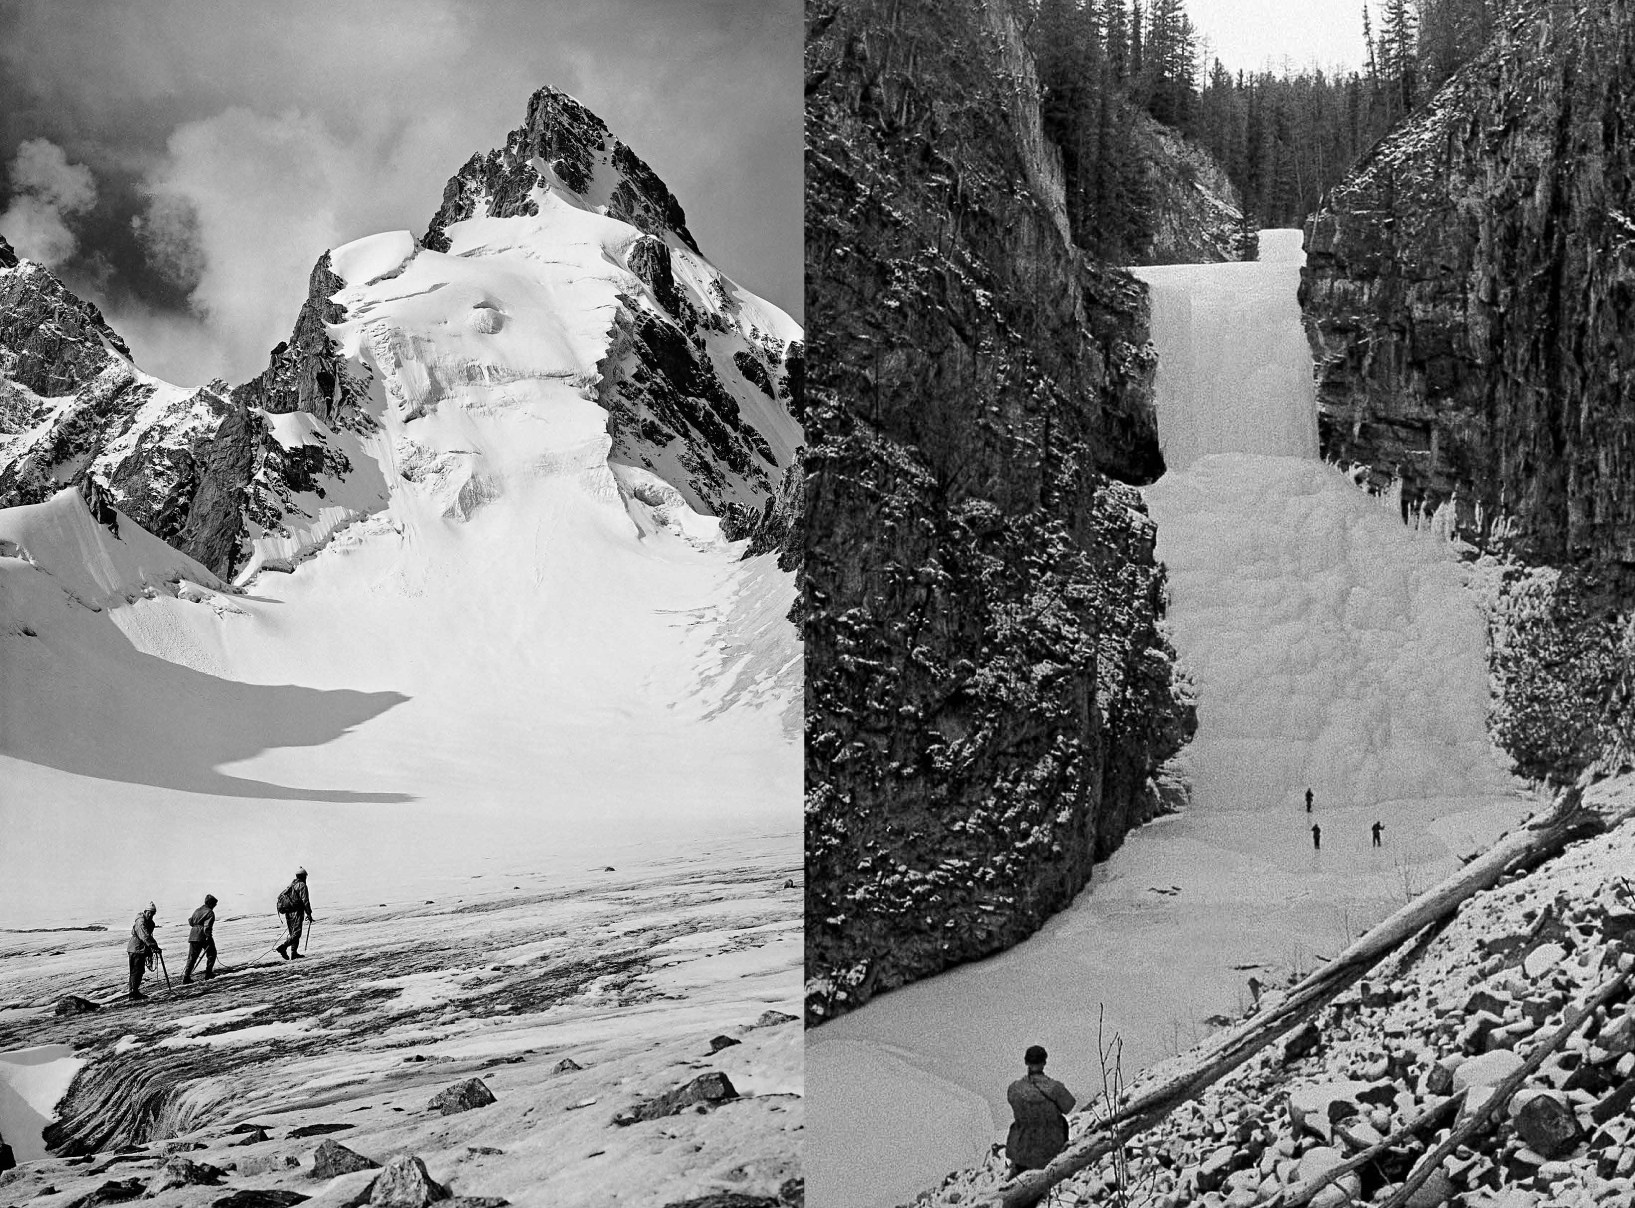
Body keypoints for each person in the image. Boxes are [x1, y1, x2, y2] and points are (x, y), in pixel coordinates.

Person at [1005, 1045, 1076, 1175]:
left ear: (1026, 1062)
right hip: (1051, 1152)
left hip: (1022, 1153)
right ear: (1044, 1062)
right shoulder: (1055, 1088)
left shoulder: (1014, 1089)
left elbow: (1013, 1102)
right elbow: (1069, 1105)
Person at [276, 868, 314, 959]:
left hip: (288, 913)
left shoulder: (292, 885)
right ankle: (283, 947)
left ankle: (294, 953)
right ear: (304, 876)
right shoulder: (302, 885)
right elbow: (305, 901)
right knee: (296, 934)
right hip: (297, 912)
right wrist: (309, 913)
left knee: (293, 933)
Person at [126, 903, 161, 1000]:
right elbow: (145, 936)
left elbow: (148, 936)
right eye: (149, 913)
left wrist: (151, 948)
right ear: (145, 911)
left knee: (139, 971)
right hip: (136, 949)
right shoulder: (141, 922)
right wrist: (154, 945)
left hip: (141, 949)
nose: (151, 915)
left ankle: (134, 991)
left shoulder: (149, 922)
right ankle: (132, 993)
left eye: (153, 913)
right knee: (135, 971)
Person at [183, 894, 218, 983]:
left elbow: (191, 921)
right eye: (214, 904)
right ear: (211, 904)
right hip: (202, 935)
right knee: (212, 953)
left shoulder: (197, 910)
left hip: (193, 934)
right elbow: (207, 927)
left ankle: (186, 977)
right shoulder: (210, 912)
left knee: (192, 957)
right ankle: (208, 974)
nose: (215, 906)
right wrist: (208, 937)